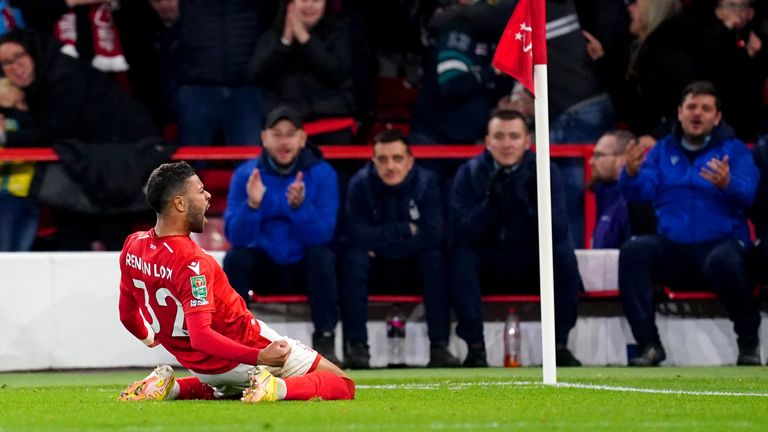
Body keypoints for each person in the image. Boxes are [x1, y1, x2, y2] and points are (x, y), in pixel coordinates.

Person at [117, 161, 354, 403]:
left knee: (229, 385)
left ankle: (173, 388)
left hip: (201, 369)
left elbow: (127, 315)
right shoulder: (193, 262)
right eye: (200, 191)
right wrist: (260, 355)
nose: (208, 196)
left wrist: (150, 337)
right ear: (179, 203)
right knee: (342, 384)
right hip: (241, 350)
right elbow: (202, 337)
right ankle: (275, 388)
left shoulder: (133, 245)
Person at [619, 81, 761, 366]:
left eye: (706, 108)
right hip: (675, 249)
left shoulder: (735, 152)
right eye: (691, 107)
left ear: (717, 117)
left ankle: (748, 344)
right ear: (679, 113)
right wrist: (631, 174)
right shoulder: (660, 152)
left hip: (720, 246)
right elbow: (640, 192)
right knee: (634, 250)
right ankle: (648, 345)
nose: (698, 114)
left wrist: (728, 183)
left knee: (727, 259)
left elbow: (749, 193)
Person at [0, 29, 163, 251]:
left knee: (110, 233)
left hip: (119, 164)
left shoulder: (63, 77)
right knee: (72, 227)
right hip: (92, 168)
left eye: (18, 56)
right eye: (5, 63)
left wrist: (7, 132)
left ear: (34, 53)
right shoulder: (43, 80)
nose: (13, 67)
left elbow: (51, 131)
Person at [450, 109, 582, 367]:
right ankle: (475, 348)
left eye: (514, 136)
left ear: (527, 141)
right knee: (460, 257)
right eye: (499, 136)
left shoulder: (545, 170)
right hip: (489, 262)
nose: (507, 143)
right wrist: (490, 206)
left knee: (563, 253)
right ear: (488, 141)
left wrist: (531, 203)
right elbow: (461, 234)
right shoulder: (469, 172)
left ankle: (559, 345)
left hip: (531, 261)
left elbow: (559, 229)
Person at [222, 106, 341, 364]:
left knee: (323, 257)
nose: (283, 141)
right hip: (265, 268)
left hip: (303, 267)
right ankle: (234, 341)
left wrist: (300, 208)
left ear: (302, 138)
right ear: (264, 138)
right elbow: (237, 237)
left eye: (290, 134)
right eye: (277, 134)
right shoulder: (246, 175)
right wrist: (252, 206)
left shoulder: (322, 174)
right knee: (235, 259)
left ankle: (326, 338)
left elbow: (323, 235)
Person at [340, 129, 460, 369]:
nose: (390, 166)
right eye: (382, 159)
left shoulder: (427, 183)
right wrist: (406, 229)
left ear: (410, 161)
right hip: (376, 269)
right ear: (373, 161)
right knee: (353, 258)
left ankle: (439, 347)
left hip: (413, 265)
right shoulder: (360, 184)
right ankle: (357, 347)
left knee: (434, 258)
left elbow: (434, 235)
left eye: (397, 159)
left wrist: (382, 246)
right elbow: (356, 235)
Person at [248, 0, 357, 145]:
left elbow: (336, 72)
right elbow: (257, 74)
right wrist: (285, 41)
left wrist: (305, 38)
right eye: (303, 0)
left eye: (316, 0)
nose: (309, 5)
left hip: (331, 123)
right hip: (284, 124)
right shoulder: (273, 34)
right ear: (290, 4)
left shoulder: (340, 32)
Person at [589, 129, 656, 248]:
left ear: (623, 157)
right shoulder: (602, 196)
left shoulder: (637, 202)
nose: (591, 162)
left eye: (598, 155)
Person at [0, 78, 43, 251]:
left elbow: (40, 136)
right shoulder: (6, 120)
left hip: (31, 193)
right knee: (7, 251)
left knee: (22, 252)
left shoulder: (30, 118)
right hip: (7, 195)